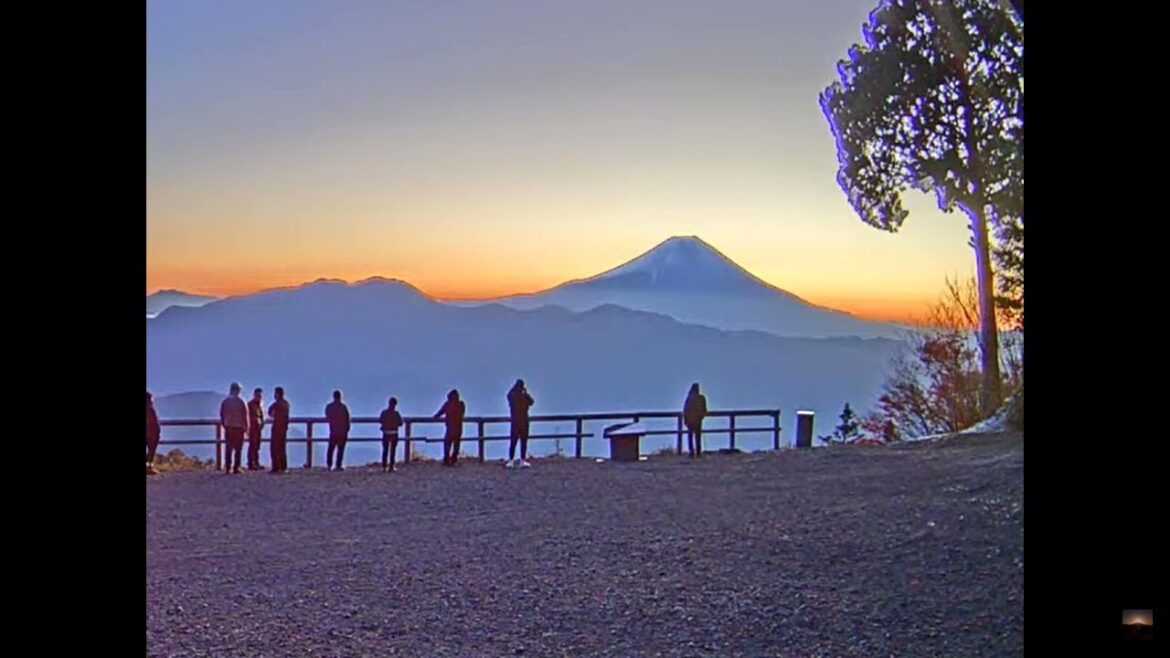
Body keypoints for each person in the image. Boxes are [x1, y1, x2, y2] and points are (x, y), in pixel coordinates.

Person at [220, 382, 248, 474]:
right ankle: (236, 467)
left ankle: (228, 467)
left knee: (228, 447)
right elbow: (245, 415)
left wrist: (224, 424)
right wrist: (247, 428)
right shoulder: (241, 401)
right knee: (238, 448)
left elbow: (222, 414)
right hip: (239, 427)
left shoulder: (225, 401)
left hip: (229, 427)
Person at [506, 379, 534, 468]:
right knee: (523, 442)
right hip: (524, 422)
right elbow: (532, 401)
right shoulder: (524, 396)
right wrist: (525, 392)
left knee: (513, 442)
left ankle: (511, 461)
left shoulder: (513, 397)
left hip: (515, 422)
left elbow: (508, 395)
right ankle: (522, 460)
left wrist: (513, 388)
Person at [434, 389, 466, 466]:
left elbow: (440, 412)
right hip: (458, 428)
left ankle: (447, 459)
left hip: (451, 427)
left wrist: (435, 417)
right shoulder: (461, 405)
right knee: (456, 444)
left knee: (447, 443)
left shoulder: (448, 405)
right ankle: (453, 460)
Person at [325, 390, 351, 471]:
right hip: (342, 432)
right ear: (340, 397)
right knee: (340, 450)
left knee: (331, 448)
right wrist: (347, 429)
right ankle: (338, 465)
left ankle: (329, 465)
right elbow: (348, 419)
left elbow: (327, 416)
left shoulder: (329, 407)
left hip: (333, 431)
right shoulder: (343, 407)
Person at [267, 387, 290, 473]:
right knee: (282, 448)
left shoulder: (276, 404)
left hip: (276, 428)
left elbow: (270, 412)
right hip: (284, 428)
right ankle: (284, 466)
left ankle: (276, 467)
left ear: (277, 394)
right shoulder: (286, 404)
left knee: (274, 448)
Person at [683, 382, 708, 458]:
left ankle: (691, 452)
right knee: (697, 436)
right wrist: (701, 416)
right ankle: (698, 452)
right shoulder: (701, 398)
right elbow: (704, 409)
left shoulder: (689, 398)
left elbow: (685, 410)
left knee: (690, 436)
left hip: (690, 420)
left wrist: (685, 419)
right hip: (698, 420)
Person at [380, 396, 404, 472]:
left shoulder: (384, 413)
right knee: (393, 450)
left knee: (385, 450)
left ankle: (384, 466)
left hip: (386, 433)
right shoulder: (396, 414)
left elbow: (380, 420)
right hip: (394, 433)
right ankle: (391, 466)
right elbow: (401, 423)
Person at [247, 388, 265, 471]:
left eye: (260, 396)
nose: (259, 397)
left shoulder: (260, 405)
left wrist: (262, 423)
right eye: (258, 395)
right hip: (252, 427)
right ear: (254, 395)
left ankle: (256, 462)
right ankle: (251, 463)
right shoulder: (250, 405)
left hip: (258, 427)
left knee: (257, 445)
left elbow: (261, 416)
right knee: (252, 445)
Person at [147, 392, 161, 475]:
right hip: (151, 435)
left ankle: (149, 467)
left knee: (150, 452)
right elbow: (153, 422)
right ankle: (149, 468)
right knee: (151, 452)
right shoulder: (149, 409)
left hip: (151, 434)